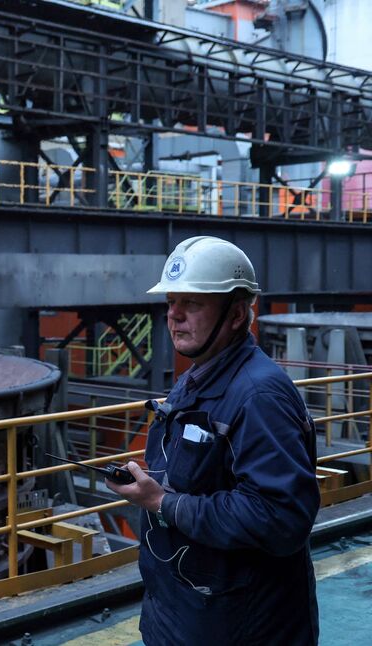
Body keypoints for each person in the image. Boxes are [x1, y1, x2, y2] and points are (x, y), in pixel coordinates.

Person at [107, 236, 320, 645]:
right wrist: (153, 488)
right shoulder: (198, 378)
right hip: (185, 613)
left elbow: (280, 518)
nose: (174, 315)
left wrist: (163, 502)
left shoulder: (259, 396)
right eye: (171, 301)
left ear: (237, 314)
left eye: (192, 303)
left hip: (243, 627)